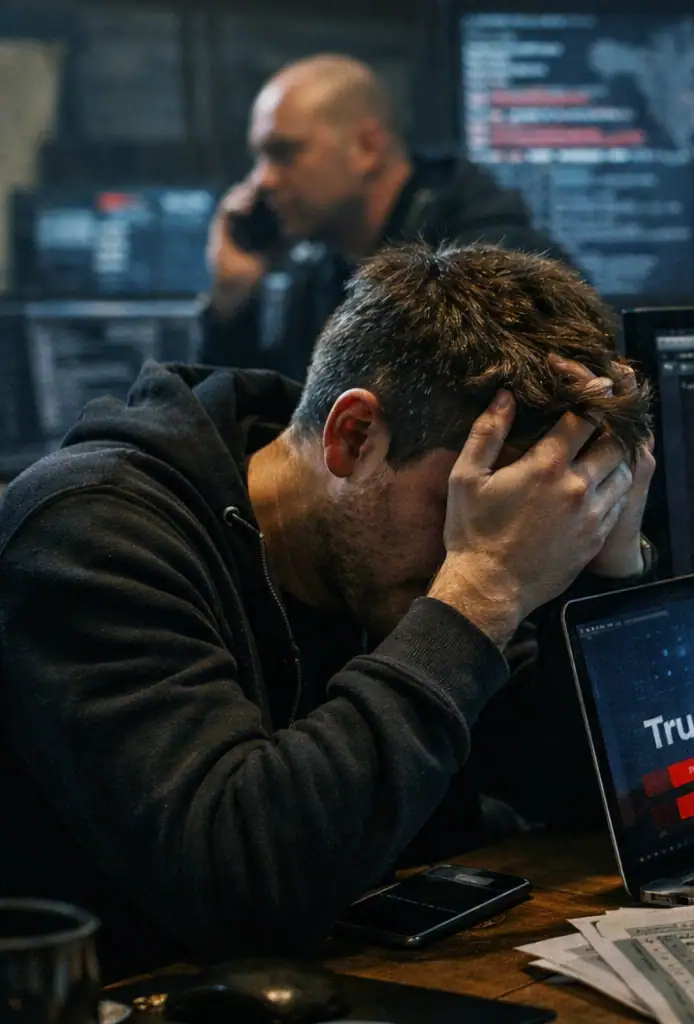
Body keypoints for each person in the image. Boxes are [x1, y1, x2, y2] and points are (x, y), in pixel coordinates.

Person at [0, 243, 652, 978]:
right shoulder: (88, 535)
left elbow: (599, 796)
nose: (473, 545)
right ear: (353, 437)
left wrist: (611, 569)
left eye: (500, 523)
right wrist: (484, 590)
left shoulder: (388, 551)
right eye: (461, 512)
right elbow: (241, 885)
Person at [201, 53, 570, 380]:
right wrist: (232, 303)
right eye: (260, 158)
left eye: (283, 153)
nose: (261, 180)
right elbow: (261, 434)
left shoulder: (494, 267)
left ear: (367, 147)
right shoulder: (320, 275)